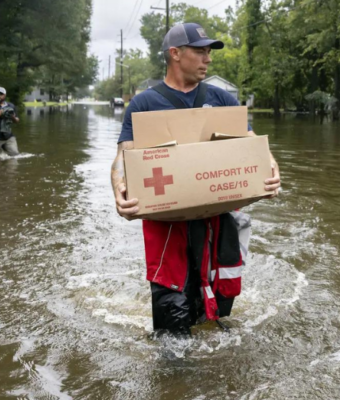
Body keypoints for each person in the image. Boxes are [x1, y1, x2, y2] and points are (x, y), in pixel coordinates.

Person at [111, 23, 282, 336]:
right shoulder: (144, 104)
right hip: (166, 224)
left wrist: (271, 168)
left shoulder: (222, 100)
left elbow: (251, 141)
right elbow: (124, 156)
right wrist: (119, 190)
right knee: (172, 322)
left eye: (209, 52)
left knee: (216, 315)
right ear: (175, 54)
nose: (209, 59)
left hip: (216, 220)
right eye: (200, 51)